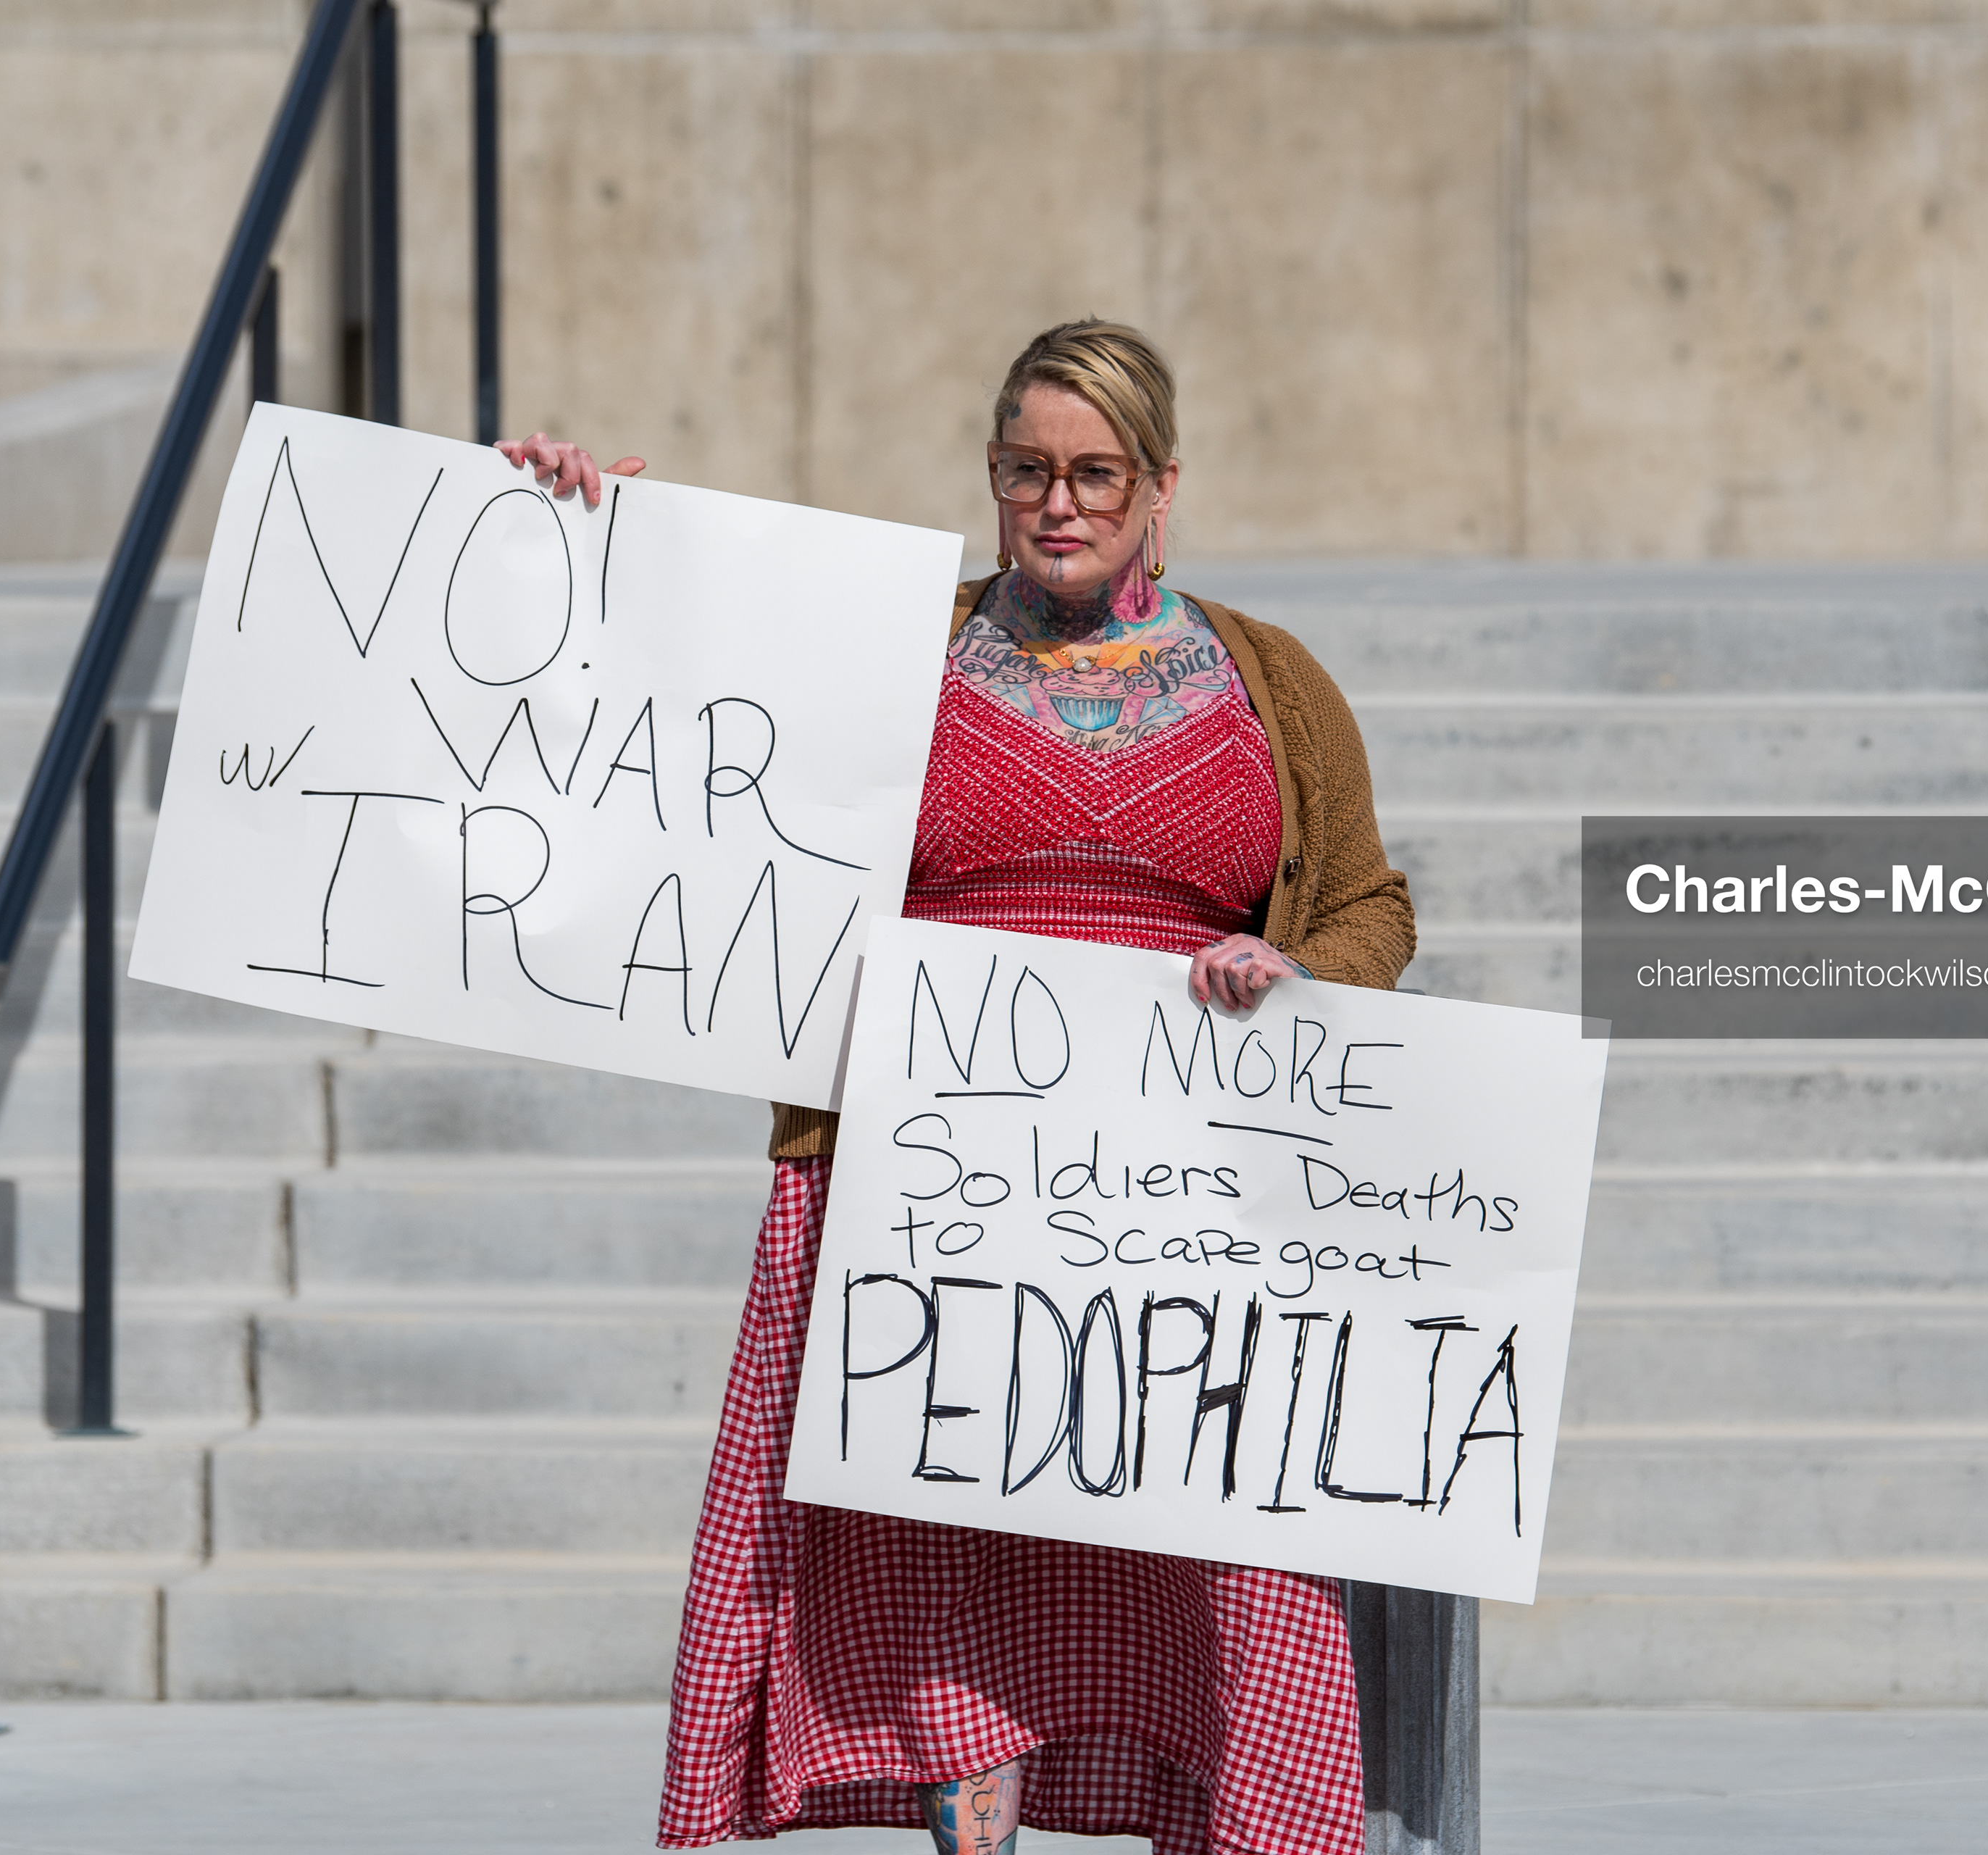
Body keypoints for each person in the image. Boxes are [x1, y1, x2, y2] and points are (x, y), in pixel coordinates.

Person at [498, 320, 1414, 1855]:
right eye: (1026, 472)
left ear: (1163, 484)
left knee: (1238, 1571)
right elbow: (671, 727)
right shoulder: (892, 651)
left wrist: (1298, 974)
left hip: (1186, 1190)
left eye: (1095, 475)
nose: (1059, 505)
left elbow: (1372, 903)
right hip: (937, 1179)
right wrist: (581, 536)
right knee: (943, 1559)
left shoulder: (1273, 680)